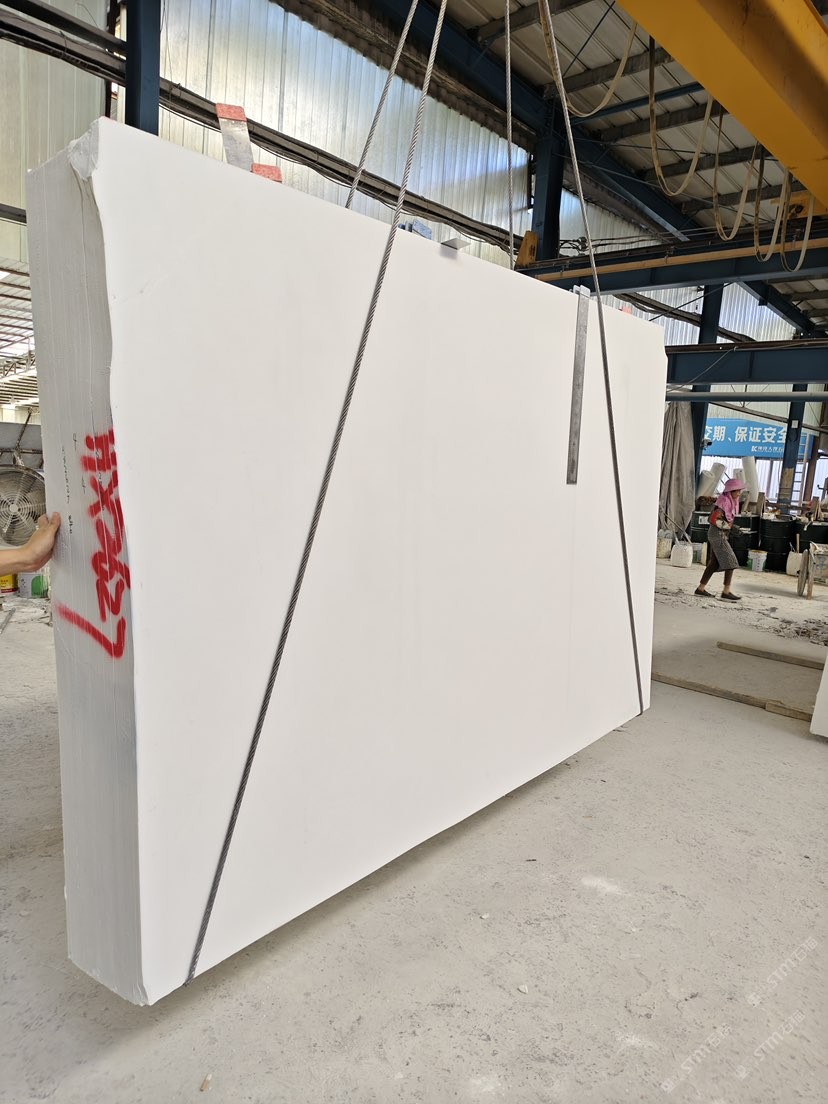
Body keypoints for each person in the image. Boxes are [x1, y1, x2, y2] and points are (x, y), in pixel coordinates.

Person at [695, 478, 747, 601]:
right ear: (730, 491)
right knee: (731, 562)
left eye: (739, 490)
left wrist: (730, 527)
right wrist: (730, 527)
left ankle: (700, 589)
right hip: (717, 535)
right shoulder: (724, 502)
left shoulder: (729, 502)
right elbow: (713, 519)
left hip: (719, 534)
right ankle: (726, 591)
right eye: (737, 491)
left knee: (713, 564)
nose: (739, 493)